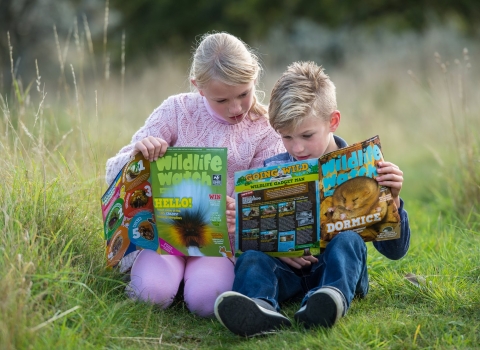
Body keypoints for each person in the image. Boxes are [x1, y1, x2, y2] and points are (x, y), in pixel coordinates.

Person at [214, 61, 411, 336]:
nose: (297, 147)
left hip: (334, 270)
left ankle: (330, 299)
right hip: (287, 274)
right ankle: (259, 306)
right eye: (286, 137)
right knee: (252, 256)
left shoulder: (366, 169)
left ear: (333, 121)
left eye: (307, 135)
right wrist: (252, 231)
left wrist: (394, 200)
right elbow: (255, 239)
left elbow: (395, 252)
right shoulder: (272, 170)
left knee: (348, 241)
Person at [105, 32, 285, 317]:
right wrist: (141, 153)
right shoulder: (177, 110)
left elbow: (268, 193)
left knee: (207, 301)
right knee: (150, 294)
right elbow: (119, 172)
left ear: (255, 78)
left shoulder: (263, 128)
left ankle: (190, 285)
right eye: (222, 99)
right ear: (198, 88)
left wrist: (237, 210)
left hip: (220, 243)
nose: (236, 108)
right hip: (164, 238)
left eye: (243, 94)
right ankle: (167, 282)